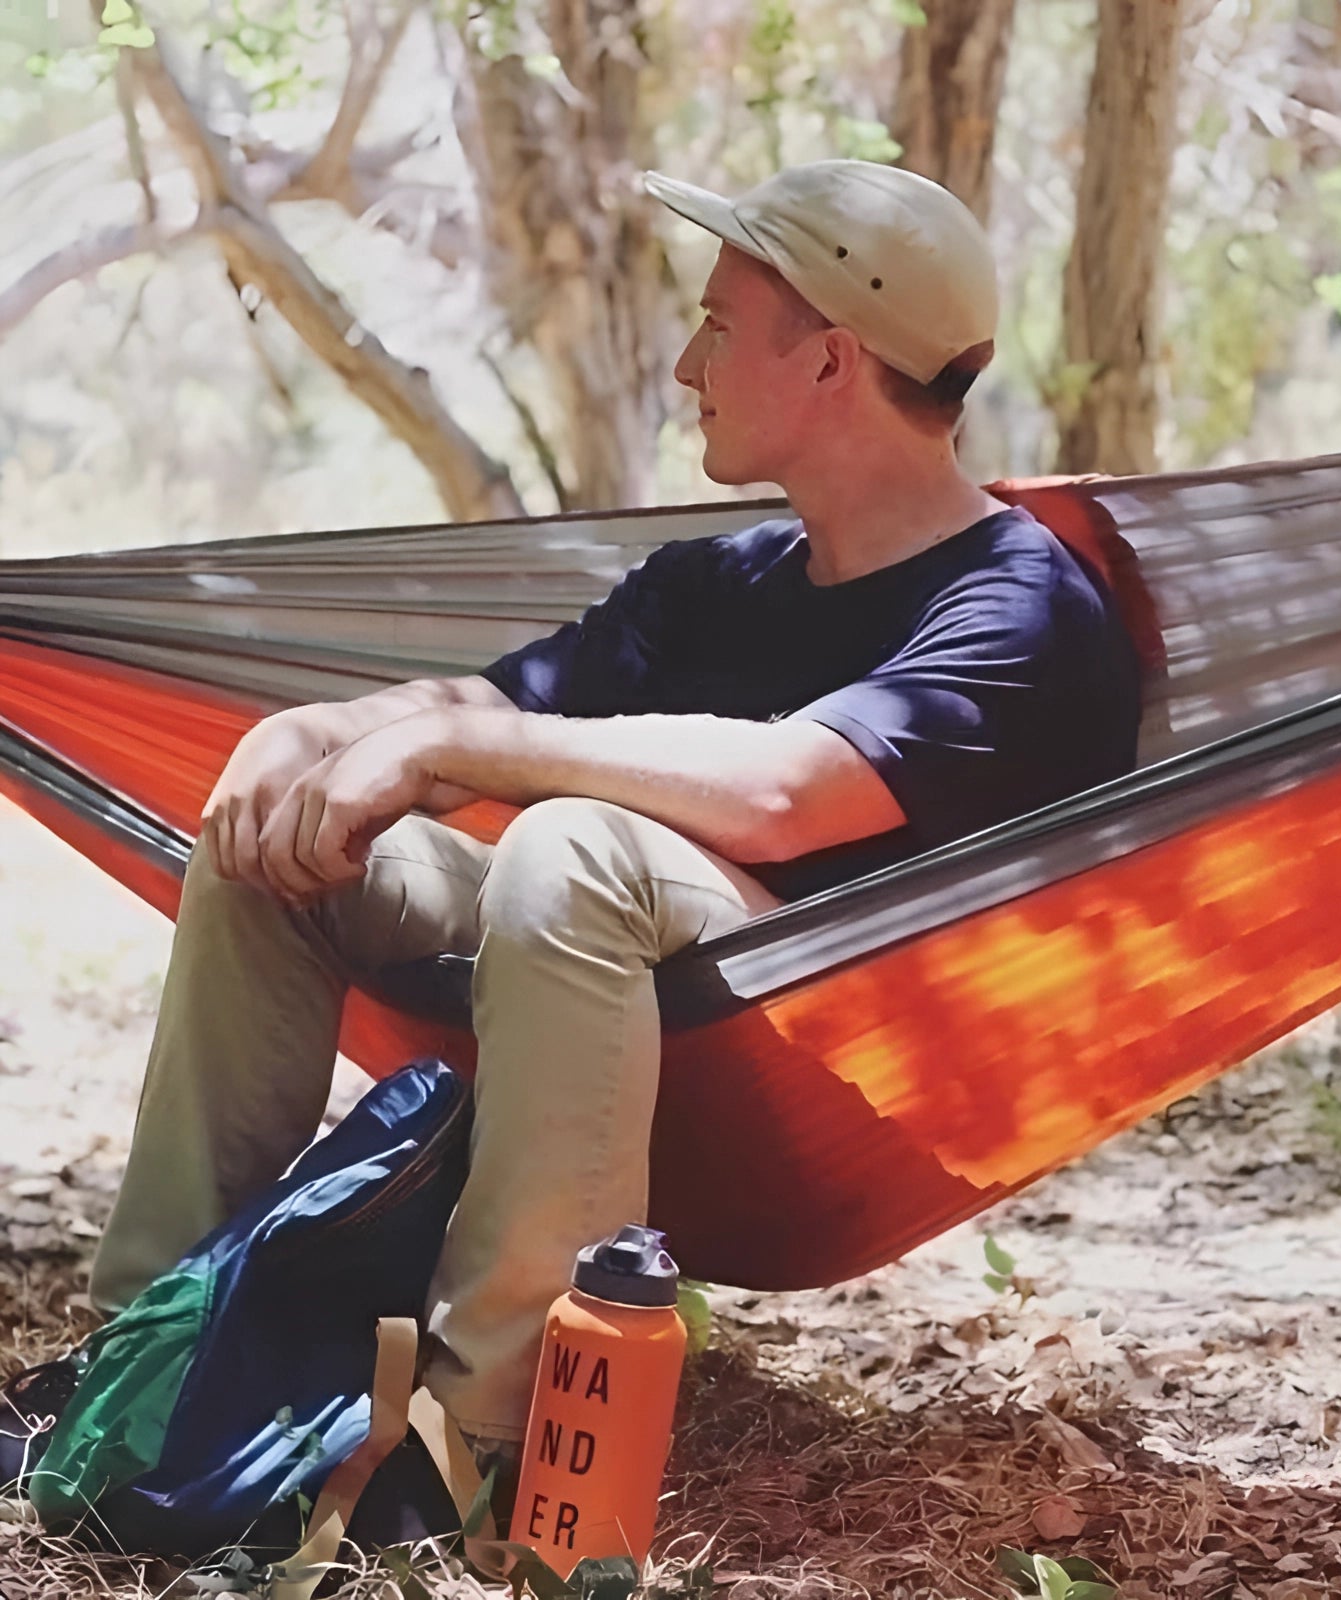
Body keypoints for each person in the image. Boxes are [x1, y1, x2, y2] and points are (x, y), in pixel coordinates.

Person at [88, 160, 1142, 1459]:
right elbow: (484, 703)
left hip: (840, 1057)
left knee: (572, 845)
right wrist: (307, 738)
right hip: (610, 998)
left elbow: (780, 793)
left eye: (718, 326)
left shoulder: (1020, 609)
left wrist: (451, 748)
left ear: (830, 365)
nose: (690, 366)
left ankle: (471, 1443)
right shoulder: (714, 585)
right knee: (286, 840)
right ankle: (139, 1364)